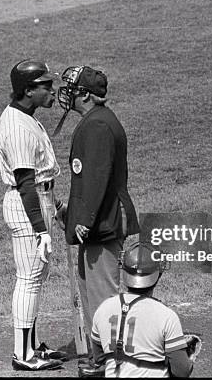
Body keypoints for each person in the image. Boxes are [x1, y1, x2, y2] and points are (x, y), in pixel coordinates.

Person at [54, 65, 140, 375]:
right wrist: (72, 215)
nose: (67, 94)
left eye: (72, 88)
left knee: (103, 295)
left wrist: (86, 219)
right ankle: (100, 356)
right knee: (91, 293)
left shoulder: (99, 126)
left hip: (102, 223)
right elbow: (88, 178)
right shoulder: (97, 121)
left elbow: (99, 176)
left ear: (87, 95)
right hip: (95, 222)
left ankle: (113, 362)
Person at [0, 59, 69, 371]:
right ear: (28, 90)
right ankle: (23, 355)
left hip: (39, 203)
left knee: (36, 278)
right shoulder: (16, 127)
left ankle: (31, 346)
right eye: (46, 86)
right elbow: (27, 184)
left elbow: (40, 180)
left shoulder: (25, 115)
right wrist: (40, 231)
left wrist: (59, 208)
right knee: (28, 279)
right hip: (28, 208)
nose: (52, 90)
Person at [88, 241, 198, 377]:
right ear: (158, 274)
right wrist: (188, 357)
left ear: (124, 270)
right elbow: (182, 371)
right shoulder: (166, 316)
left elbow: (98, 358)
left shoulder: (103, 309)